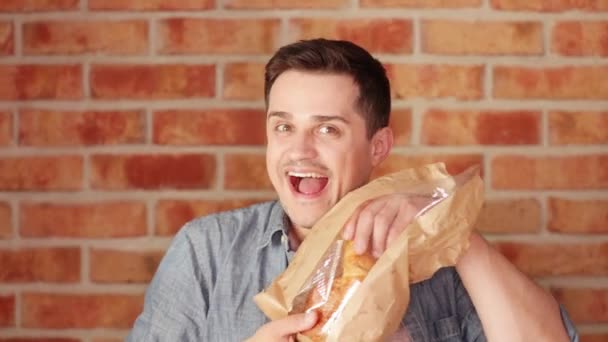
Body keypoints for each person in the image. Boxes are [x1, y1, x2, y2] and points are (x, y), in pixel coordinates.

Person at [128, 39, 579, 342]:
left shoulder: (438, 259)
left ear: (377, 146)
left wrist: (453, 232)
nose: (299, 150)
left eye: (328, 129)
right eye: (283, 126)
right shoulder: (206, 252)